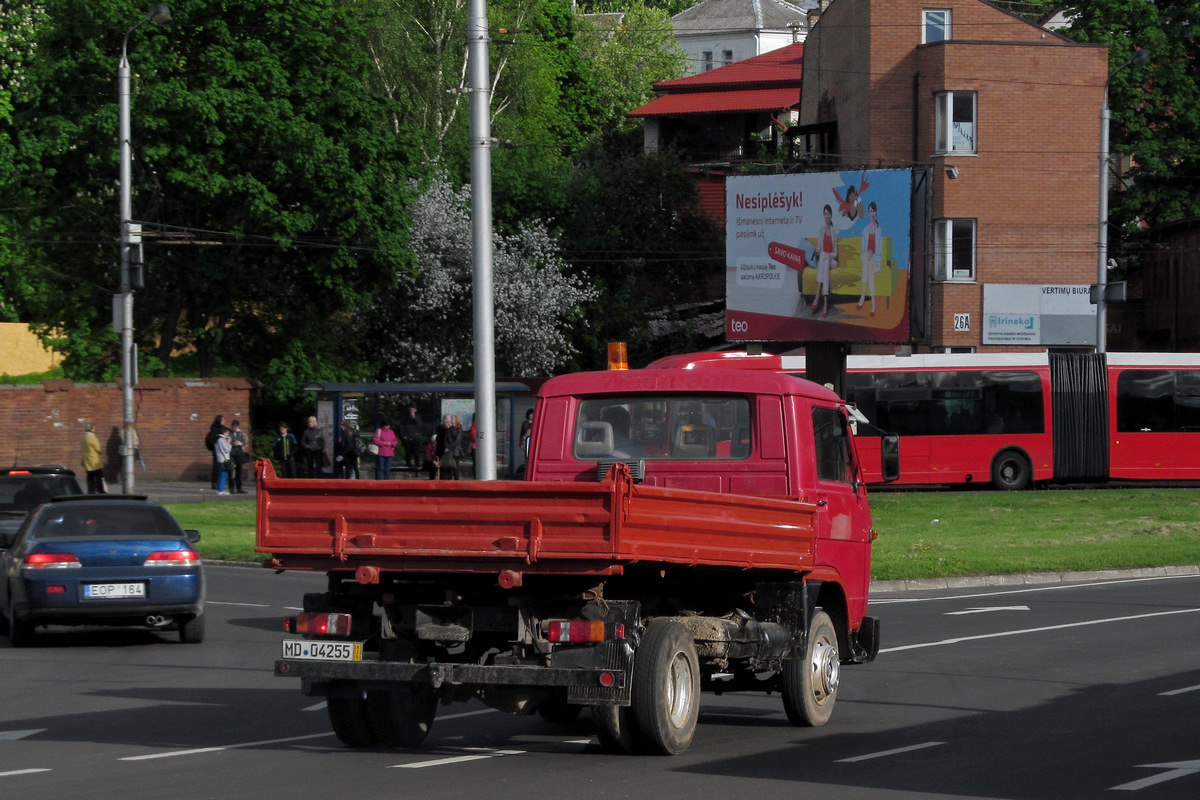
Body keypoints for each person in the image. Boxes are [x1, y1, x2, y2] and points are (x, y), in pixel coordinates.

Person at [809, 204, 836, 318]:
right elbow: (820, 252)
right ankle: (825, 303)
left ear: (831, 215)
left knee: (825, 257)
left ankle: (817, 296)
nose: (827, 216)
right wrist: (816, 251)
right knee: (823, 259)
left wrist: (826, 255)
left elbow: (836, 254)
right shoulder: (820, 231)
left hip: (832, 262)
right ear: (823, 215)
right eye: (825, 213)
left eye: (828, 213)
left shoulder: (834, 232)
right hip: (824, 262)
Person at [858, 201, 882, 317]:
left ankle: (862, 296)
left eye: (874, 211)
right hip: (867, 260)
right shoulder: (864, 231)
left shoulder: (879, 231)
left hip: (875, 261)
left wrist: (873, 256)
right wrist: (867, 255)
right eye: (870, 211)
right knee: (867, 261)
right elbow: (862, 253)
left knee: (868, 261)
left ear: (876, 212)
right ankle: (873, 304)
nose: (872, 213)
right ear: (868, 213)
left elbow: (880, 253)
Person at [81, 423, 105, 493]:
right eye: (94, 428)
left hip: (87, 461)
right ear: (91, 429)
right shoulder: (92, 437)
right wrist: (100, 450)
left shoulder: (84, 438)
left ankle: (90, 492)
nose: (95, 430)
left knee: (90, 477)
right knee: (98, 477)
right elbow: (99, 448)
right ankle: (101, 491)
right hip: (94, 461)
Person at [436, 414, 461, 480]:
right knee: (446, 467)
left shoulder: (458, 428)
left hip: (454, 450)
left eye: (452, 419)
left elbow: (457, 440)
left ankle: (456, 481)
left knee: (455, 468)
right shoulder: (446, 429)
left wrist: (449, 447)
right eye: (450, 419)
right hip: (445, 450)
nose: (451, 420)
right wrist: (446, 447)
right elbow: (445, 439)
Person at [228, 419, 249, 493]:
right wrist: (233, 443)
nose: (235, 428)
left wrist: (241, 443)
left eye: (236, 426)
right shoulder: (229, 433)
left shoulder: (240, 433)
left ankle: (239, 487)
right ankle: (231, 488)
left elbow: (244, 441)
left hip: (239, 453)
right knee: (231, 471)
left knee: (239, 471)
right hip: (232, 453)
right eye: (234, 426)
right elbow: (227, 442)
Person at [206, 414, 225, 489]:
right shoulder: (217, 429)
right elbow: (212, 439)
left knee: (217, 466)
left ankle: (216, 482)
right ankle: (215, 482)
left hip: (217, 449)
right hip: (217, 449)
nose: (224, 421)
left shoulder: (216, 428)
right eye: (223, 420)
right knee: (217, 466)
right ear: (220, 420)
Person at [214, 427, 233, 495]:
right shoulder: (221, 439)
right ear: (224, 432)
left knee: (221, 474)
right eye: (227, 432)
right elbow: (226, 449)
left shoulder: (218, 439)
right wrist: (229, 443)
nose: (228, 434)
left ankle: (220, 488)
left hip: (220, 459)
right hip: (223, 459)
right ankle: (221, 490)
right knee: (223, 474)